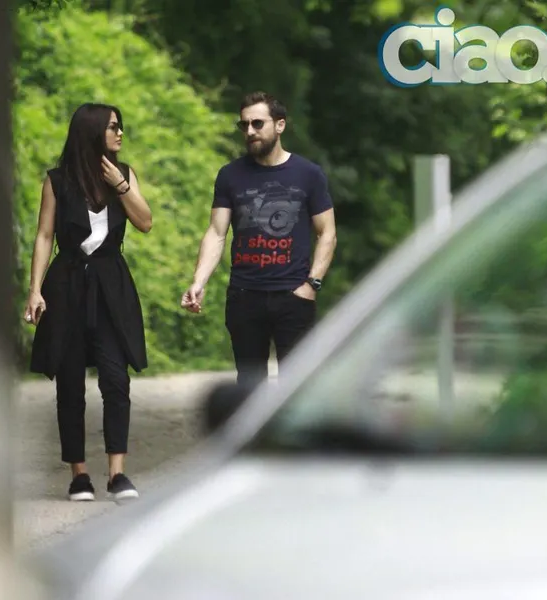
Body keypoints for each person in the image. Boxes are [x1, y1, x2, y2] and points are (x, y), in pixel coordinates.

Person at [24, 102, 152, 502]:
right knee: (70, 384)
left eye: (120, 126)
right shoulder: (57, 181)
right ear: (92, 131)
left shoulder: (124, 174)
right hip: (67, 286)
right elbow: (45, 235)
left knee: (116, 379)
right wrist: (35, 289)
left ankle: (117, 473)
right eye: (113, 127)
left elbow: (145, 222)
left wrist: (122, 186)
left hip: (111, 285)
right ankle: (79, 474)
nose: (119, 133)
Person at [181, 91, 337, 387]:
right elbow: (216, 232)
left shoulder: (308, 174)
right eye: (244, 125)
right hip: (245, 296)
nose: (250, 131)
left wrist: (312, 284)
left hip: (294, 295)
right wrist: (199, 281)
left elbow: (327, 232)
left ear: (280, 125)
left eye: (257, 123)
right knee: (249, 388)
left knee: (296, 386)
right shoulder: (230, 175)